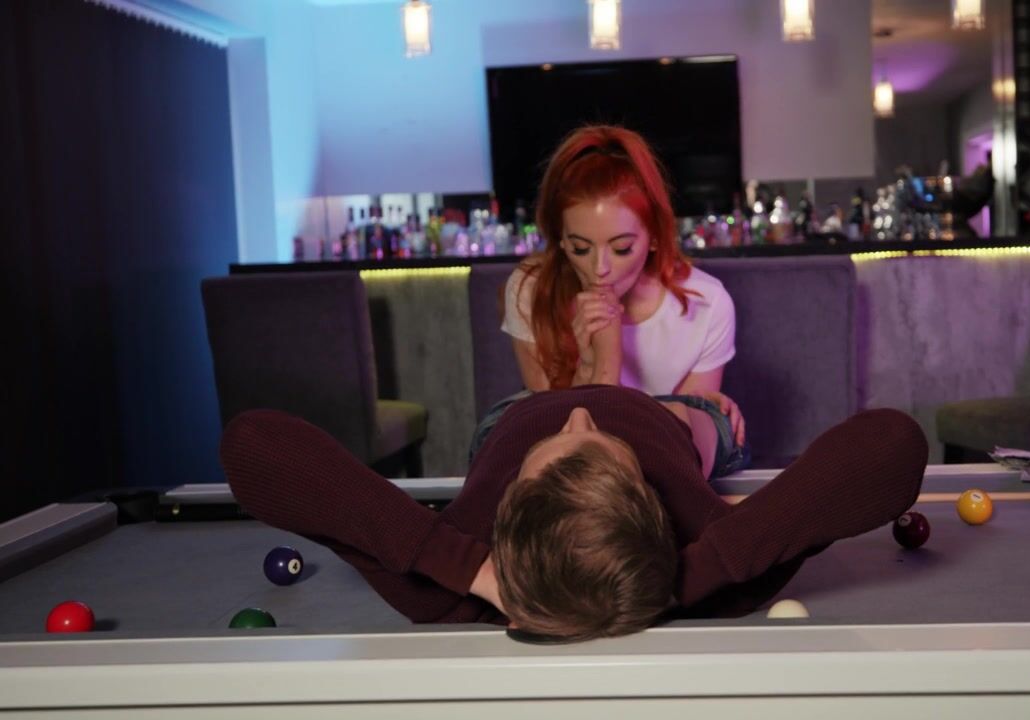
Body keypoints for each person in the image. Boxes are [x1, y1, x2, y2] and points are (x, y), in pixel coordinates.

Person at [222, 386, 928, 643]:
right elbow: (891, 445)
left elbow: (253, 445)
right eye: (593, 441)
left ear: (506, 505)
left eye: (567, 441)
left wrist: (469, 569)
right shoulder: (715, 558)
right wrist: (684, 575)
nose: (581, 415)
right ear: (652, 503)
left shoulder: (445, 585)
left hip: (515, 413)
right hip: (664, 411)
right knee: (711, 421)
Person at [494, 125, 745, 455]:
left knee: (714, 423)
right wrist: (593, 364)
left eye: (622, 248)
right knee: (504, 426)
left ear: (654, 236)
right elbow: (557, 438)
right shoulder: (530, 289)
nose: (600, 268)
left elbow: (681, 443)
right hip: (570, 448)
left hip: (655, 446)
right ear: (560, 239)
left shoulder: (707, 303)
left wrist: (699, 415)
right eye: (580, 248)